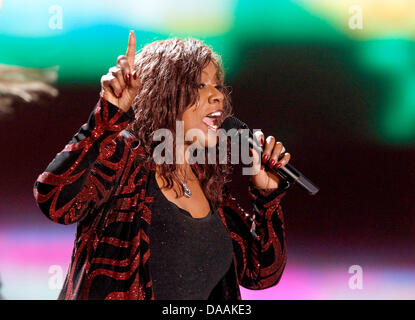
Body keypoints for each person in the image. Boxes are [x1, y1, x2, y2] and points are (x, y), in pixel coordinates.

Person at [33, 31, 292, 300]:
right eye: (201, 86)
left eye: (218, 86)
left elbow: (261, 272)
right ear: (164, 94)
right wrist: (103, 122)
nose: (218, 97)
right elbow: (55, 202)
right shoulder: (125, 156)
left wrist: (267, 196)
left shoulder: (204, 178)